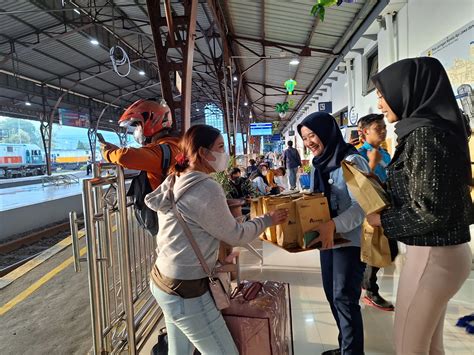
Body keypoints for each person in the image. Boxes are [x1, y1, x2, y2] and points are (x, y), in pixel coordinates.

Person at [144, 124, 288, 354]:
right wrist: (267, 220)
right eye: (220, 147)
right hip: (186, 290)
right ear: (202, 152)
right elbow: (236, 235)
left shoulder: (176, 179)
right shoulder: (205, 187)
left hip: (163, 280)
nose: (225, 154)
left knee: (179, 351)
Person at [366, 57, 472, 355]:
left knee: (409, 348)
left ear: (408, 89)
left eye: (383, 94)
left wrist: (382, 222)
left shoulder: (425, 135)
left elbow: (429, 211)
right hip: (443, 254)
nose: (380, 102)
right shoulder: (433, 130)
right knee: (429, 348)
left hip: (433, 256)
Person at [298, 112, 369, 355]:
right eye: (305, 138)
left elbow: (363, 206)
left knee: (345, 299)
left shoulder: (352, 161)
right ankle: (344, 347)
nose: (309, 142)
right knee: (332, 295)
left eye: (312, 135)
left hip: (349, 241)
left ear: (326, 132)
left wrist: (334, 225)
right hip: (327, 241)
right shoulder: (318, 164)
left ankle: (352, 352)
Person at [358, 113, 398, 311]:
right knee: (374, 250)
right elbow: (358, 184)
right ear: (365, 132)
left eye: (384, 127)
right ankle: (370, 290)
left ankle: (365, 283)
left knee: (390, 250)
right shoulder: (359, 155)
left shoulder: (386, 152)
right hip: (372, 211)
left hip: (388, 207)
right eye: (378, 128)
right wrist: (371, 164)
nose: (383, 130)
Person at [100, 99, 180, 190]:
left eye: (138, 125)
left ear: (152, 121)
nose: (137, 130)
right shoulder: (172, 145)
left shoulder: (162, 151)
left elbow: (123, 156)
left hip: (158, 203)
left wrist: (108, 152)